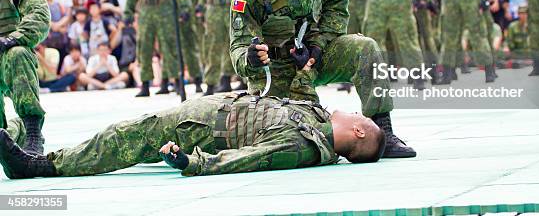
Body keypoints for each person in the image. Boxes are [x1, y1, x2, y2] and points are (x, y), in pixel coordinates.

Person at [0, 65, 386, 179]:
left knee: (122, 139)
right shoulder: (315, 119)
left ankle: (37, 167)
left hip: (196, 131)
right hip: (207, 110)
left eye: (359, 114)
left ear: (357, 130)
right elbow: (296, 91)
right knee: (126, 134)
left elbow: (248, 158)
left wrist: (192, 163)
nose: (354, 108)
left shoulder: (302, 148)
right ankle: (38, 157)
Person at [229, 0, 415, 158]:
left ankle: (383, 129)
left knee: (365, 49)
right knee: (281, 131)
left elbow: (337, 5)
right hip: (273, 71)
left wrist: (318, 45)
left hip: (314, 55)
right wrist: (251, 59)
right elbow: (238, 46)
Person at [0, 0, 51, 155]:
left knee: (18, 54)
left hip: (9, 51)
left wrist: (13, 38)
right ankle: (8, 134)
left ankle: (32, 133)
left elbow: (39, 13)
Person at [162, 0, 202, 94]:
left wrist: (190, 8)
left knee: (189, 46)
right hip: (167, 14)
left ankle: (197, 79)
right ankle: (173, 80)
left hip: (186, 12)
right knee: (169, 47)